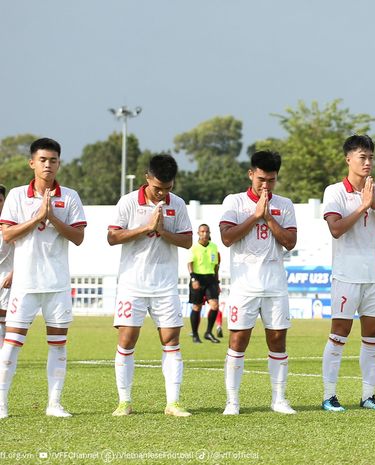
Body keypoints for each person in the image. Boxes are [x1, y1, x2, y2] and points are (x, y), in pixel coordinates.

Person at [0, 138, 86, 418]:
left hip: (57, 284)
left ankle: (54, 404)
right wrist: (38, 217)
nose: (48, 165)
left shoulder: (70, 196)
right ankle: (1, 404)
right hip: (24, 284)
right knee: (11, 345)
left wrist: (53, 218)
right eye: (43, 160)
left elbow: (78, 237)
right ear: (32, 163)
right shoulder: (15, 195)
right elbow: (8, 234)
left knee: (58, 344)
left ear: (59, 163)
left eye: (53, 160)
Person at [107, 154, 193, 417]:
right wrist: (145, 228)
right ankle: (124, 402)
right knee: (127, 339)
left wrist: (164, 232)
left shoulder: (177, 204)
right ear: (147, 178)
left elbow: (188, 241)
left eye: (167, 188)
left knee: (171, 341)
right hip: (132, 284)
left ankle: (173, 403)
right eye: (158, 188)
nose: (162, 194)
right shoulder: (128, 202)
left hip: (165, 285)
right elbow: (112, 237)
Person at [321, 134, 375, 412]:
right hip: (346, 274)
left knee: (373, 335)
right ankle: (329, 396)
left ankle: (369, 396)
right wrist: (363, 206)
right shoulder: (334, 192)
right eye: (362, 157)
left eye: (371, 157)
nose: (367, 163)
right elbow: (336, 229)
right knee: (339, 333)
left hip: (374, 275)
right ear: (348, 159)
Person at [219, 150, 298, 415]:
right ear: (251, 173)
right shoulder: (234, 202)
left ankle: (279, 399)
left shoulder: (285, 205)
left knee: (277, 340)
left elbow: (289, 242)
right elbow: (227, 237)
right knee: (238, 341)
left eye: (271, 180)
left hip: (275, 283)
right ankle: (233, 401)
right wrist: (254, 215)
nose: (266, 185)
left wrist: (267, 217)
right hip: (244, 284)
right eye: (261, 179)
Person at [188, 224, 221, 344]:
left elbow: (216, 266)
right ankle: (195, 334)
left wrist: (217, 283)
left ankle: (208, 332)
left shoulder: (214, 247)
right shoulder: (194, 247)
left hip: (211, 279)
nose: (205, 234)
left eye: (207, 231)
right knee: (197, 306)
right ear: (198, 233)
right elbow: (190, 263)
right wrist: (193, 279)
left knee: (214, 305)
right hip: (197, 278)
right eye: (202, 231)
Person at [0, 185, 13, 351]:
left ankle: (3, 358)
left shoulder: (10, 224)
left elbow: (23, 250)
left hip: (6, 277)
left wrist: (13, 274)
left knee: (4, 320)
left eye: (0, 200)